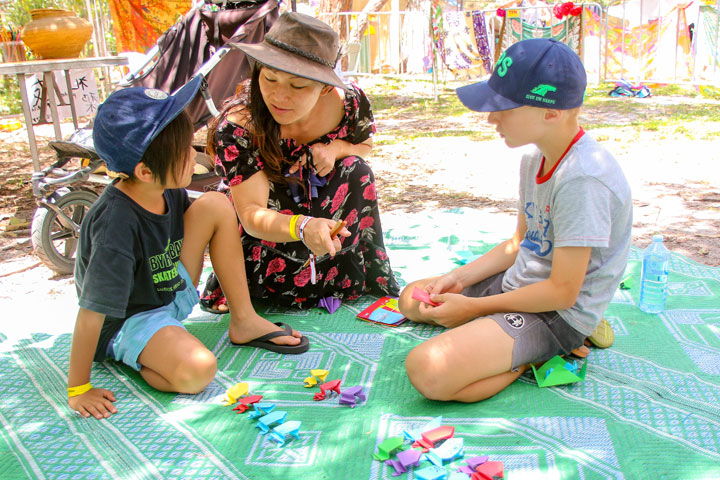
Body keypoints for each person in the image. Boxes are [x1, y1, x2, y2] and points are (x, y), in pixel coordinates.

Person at [398, 39, 632, 403]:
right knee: (412, 298)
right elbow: (519, 243)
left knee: (428, 369)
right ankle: (494, 336)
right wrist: (457, 280)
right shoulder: (534, 160)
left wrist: (474, 308)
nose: (491, 119)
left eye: (503, 108)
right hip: (521, 285)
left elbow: (562, 292)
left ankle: (537, 353)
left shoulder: (584, 178)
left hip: (557, 313)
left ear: (550, 112)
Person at [68, 77, 308, 420]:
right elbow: (92, 313)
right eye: (183, 152)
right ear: (145, 171)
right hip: (129, 319)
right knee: (199, 370)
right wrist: (79, 388)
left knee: (215, 204)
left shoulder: (163, 188)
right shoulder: (115, 226)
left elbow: (197, 226)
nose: (193, 155)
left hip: (166, 289)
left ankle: (245, 320)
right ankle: (137, 355)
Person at [199, 11, 399, 312]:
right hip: (270, 226)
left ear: (324, 86)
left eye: (298, 86)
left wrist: (336, 148)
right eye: (269, 78)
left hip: (329, 212)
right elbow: (252, 214)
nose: (279, 96)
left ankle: (340, 279)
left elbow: (365, 146)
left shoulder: (349, 102)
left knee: (357, 170)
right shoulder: (240, 126)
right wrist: (303, 226)